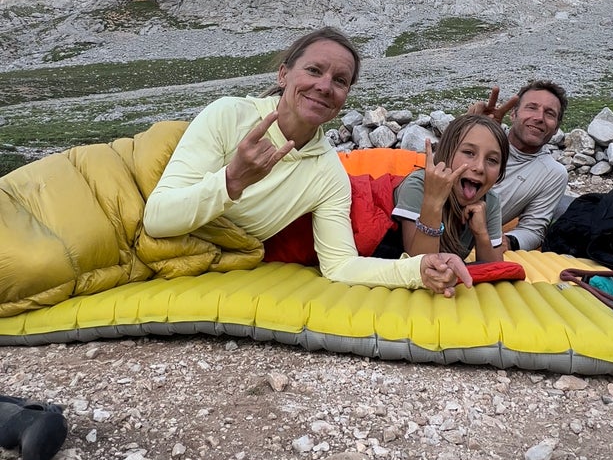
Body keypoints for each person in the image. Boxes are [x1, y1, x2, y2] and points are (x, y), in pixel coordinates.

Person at [143, 28, 472, 296]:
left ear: (344, 98)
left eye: (340, 80)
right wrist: (233, 181)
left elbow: (340, 264)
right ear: (284, 74)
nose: (325, 86)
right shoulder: (228, 116)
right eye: (314, 70)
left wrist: (419, 267)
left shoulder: (327, 173)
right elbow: (156, 220)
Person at [375, 114, 509, 262]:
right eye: (469, 153)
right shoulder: (418, 186)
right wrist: (433, 202)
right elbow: (420, 265)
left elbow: (496, 270)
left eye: (492, 160)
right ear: (446, 152)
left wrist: (481, 233)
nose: (479, 167)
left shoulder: (490, 202)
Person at [469, 82, 569, 252]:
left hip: (469, 240)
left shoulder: (553, 173)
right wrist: (471, 129)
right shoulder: (483, 139)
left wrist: (509, 241)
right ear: (513, 114)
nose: (539, 118)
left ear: (556, 128)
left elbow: (533, 228)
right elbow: (439, 171)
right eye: (531, 108)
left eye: (549, 113)